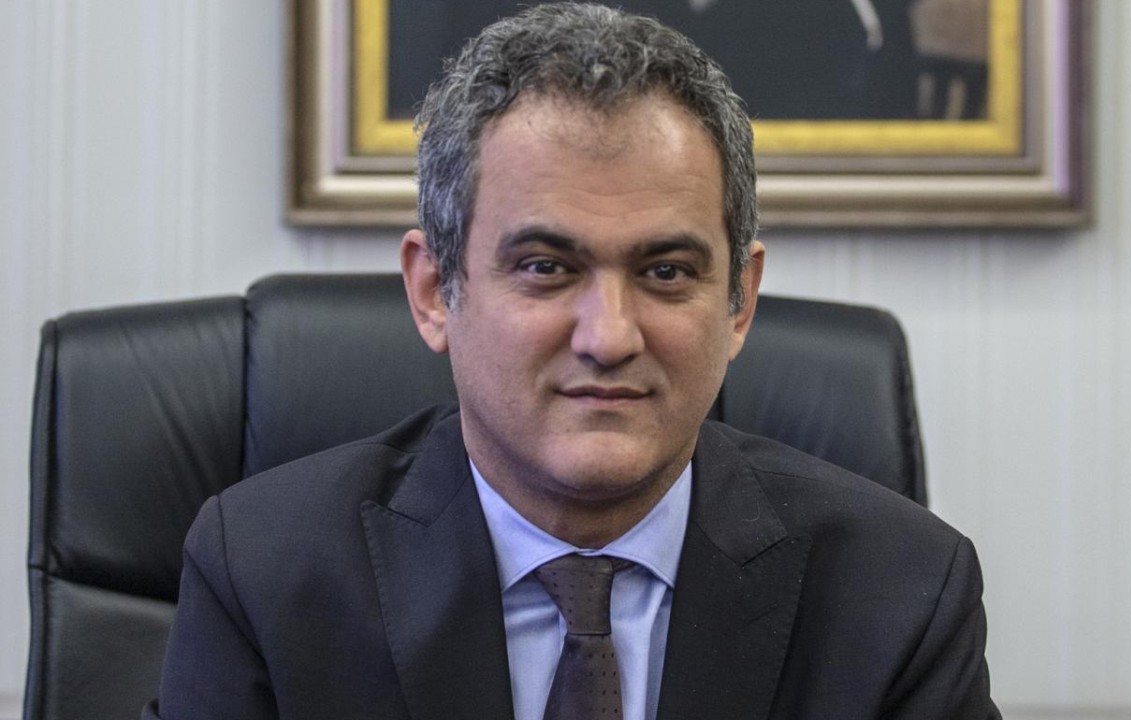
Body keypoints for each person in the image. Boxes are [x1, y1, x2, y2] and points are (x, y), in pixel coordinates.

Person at [144, 4, 999, 719]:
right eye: (547, 268)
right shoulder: (263, 574)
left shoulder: (902, 593)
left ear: (739, 301)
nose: (609, 336)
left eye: (667, 272)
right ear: (436, 291)